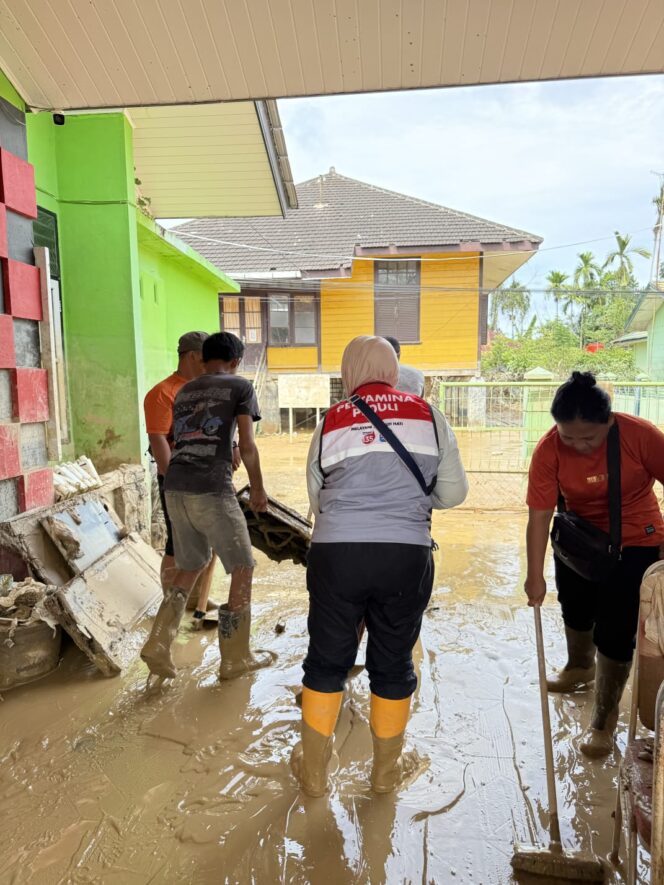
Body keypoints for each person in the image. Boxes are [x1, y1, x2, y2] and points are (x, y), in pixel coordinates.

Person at [291, 335, 468, 797]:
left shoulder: (331, 419)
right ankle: (384, 775)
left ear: (349, 372)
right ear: (394, 371)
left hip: (336, 555)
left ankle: (313, 776)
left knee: (326, 661)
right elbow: (453, 494)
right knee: (391, 664)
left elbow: (316, 497)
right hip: (404, 555)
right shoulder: (430, 415)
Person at [525, 371, 664, 757]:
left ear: (610, 421)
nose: (578, 445)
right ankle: (579, 667)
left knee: (617, 630)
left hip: (637, 539)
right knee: (576, 609)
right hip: (577, 541)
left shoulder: (640, 435)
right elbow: (539, 516)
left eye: (589, 437)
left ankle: (602, 719)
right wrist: (533, 576)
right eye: (568, 436)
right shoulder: (548, 449)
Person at [141, 332, 271, 681]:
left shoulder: (185, 391)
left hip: (175, 486)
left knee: (191, 564)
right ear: (235, 361)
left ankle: (158, 642)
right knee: (242, 566)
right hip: (211, 488)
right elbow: (247, 446)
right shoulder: (239, 387)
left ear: (204, 358)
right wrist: (258, 489)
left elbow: (184, 440)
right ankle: (235, 658)